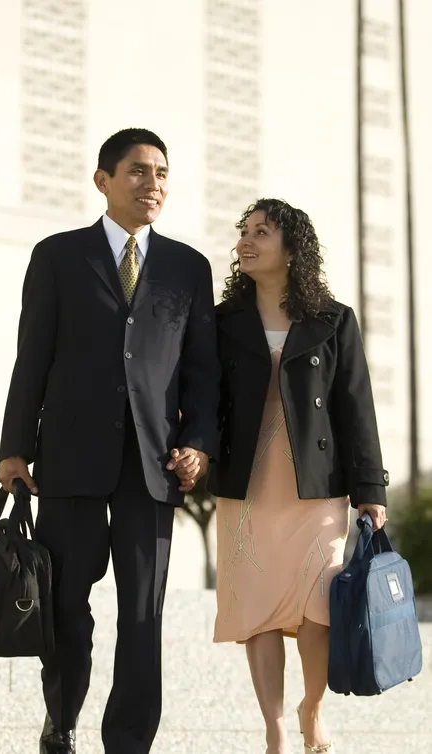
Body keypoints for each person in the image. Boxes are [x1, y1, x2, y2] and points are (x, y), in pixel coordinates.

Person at [0, 128, 220, 754]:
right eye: (139, 172)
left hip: (153, 469)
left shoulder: (187, 267)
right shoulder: (58, 256)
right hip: (68, 464)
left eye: (163, 174)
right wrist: (15, 447)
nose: (154, 185)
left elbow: (203, 373)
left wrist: (198, 444)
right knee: (66, 605)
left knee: (142, 619)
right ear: (103, 180)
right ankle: (61, 719)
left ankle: (128, 743)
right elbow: (31, 358)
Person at [203, 198, 388, 754]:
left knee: (318, 608)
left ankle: (312, 707)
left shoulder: (333, 320)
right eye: (245, 233)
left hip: (317, 486)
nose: (246, 242)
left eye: (261, 232)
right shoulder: (222, 322)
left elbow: (357, 408)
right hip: (247, 485)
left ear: (292, 248)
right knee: (257, 607)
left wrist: (371, 491)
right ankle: (276, 726)